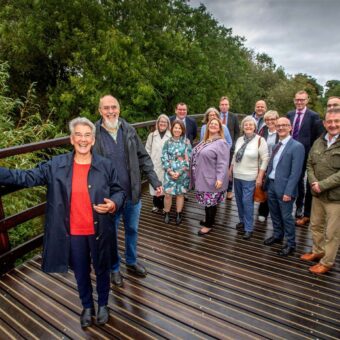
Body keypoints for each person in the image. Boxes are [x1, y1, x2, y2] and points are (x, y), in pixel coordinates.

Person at [0, 118, 125, 328]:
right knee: (81, 270)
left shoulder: (105, 165)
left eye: (87, 135)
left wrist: (113, 203)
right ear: (71, 138)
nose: (83, 140)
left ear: (93, 140)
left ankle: (103, 304)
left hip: (101, 229)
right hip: (73, 232)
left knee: (102, 268)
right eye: (78, 135)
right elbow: (25, 177)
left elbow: (119, 190)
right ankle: (87, 306)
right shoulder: (56, 165)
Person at [93, 95, 162, 287]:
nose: (110, 111)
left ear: (119, 109)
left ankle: (131, 261)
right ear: (100, 111)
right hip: (110, 198)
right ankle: (114, 268)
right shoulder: (93, 134)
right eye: (106, 108)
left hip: (132, 194)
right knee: (111, 235)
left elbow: (144, 157)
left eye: (113, 107)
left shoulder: (129, 130)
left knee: (132, 229)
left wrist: (155, 180)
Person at [301, 107, 340, 274]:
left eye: (337, 121)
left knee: (332, 233)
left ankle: (327, 262)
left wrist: (322, 184)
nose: (333, 125)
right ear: (324, 123)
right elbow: (309, 164)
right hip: (317, 194)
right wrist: (313, 181)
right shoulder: (319, 141)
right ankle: (318, 251)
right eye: (329, 122)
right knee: (316, 225)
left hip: (335, 198)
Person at [263, 117, 305, 256]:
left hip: (286, 188)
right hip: (272, 185)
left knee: (286, 217)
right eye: (278, 125)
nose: (281, 128)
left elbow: (296, 173)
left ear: (290, 127)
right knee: (274, 213)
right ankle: (277, 235)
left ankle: (291, 243)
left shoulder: (297, 146)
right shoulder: (277, 145)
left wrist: (289, 191)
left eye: (284, 125)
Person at [229, 116, 269, 240]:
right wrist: (230, 169)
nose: (248, 126)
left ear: (255, 127)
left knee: (247, 203)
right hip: (237, 174)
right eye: (246, 124)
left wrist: (260, 176)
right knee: (239, 201)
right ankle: (242, 221)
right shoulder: (240, 139)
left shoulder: (260, 140)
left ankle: (248, 228)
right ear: (243, 127)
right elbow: (235, 155)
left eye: (251, 124)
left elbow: (266, 158)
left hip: (250, 177)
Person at [287, 90, 322, 226]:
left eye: (302, 100)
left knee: (301, 180)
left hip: (306, 154)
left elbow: (317, 138)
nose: (299, 102)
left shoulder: (314, 116)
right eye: (297, 100)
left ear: (307, 100)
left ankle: (300, 207)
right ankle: (292, 202)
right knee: (294, 179)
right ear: (294, 100)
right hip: (290, 153)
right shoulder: (290, 114)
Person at [191, 118, 230, 235]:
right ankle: (209, 219)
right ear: (207, 126)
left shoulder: (221, 143)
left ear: (219, 128)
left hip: (212, 179)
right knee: (207, 202)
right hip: (202, 177)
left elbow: (223, 163)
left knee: (211, 202)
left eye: (215, 124)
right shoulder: (206, 140)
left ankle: (208, 225)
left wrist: (219, 178)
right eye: (211, 124)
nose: (213, 125)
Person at [161, 120, 192, 225]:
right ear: (172, 129)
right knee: (168, 195)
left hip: (182, 173)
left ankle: (179, 213)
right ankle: (166, 212)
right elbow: (164, 158)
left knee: (180, 194)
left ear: (182, 130)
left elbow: (189, 159)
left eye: (179, 128)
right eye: (175, 127)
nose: (177, 130)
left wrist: (179, 172)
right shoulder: (167, 142)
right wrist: (170, 171)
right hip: (169, 173)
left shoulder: (186, 142)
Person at [145, 114, 171, 212]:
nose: (162, 124)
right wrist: (148, 163)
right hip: (154, 165)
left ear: (168, 124)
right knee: (154, 185)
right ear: (158, 123)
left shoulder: (171, 135)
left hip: (165, 166)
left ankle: (165, 206)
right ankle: (156, 205)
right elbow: (147, 150)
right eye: (161, 122)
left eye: (165, 122)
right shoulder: (151, 136)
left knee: (165, 185)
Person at [257, 110, 279, 222]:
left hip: (276, 163)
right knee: (263, 186)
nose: (270, 121)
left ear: (277, 120)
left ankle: (267, 211)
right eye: (267, 119)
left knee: (271, 187)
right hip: (263, 162)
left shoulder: (281, 131)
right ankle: (262, 211)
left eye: (272, 119)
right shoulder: (263, 130)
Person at [219, 96, 240, 200]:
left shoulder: (233, 117)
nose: (224, 106)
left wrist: (234, 144)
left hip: (230, 147)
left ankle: (229, 190)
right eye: (222, 104)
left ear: (229, 105)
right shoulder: (216, 116)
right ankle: (218, 188)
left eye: (226, 104)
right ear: (219, 106)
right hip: (217, 148)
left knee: (229, 169)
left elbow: (237, 131)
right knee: (218, 168)